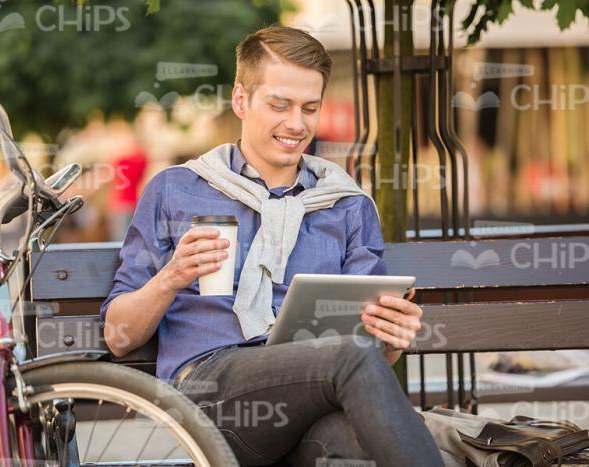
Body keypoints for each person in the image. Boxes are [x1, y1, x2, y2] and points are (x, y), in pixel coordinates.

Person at [101, 25, 444, 466]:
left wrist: (392, 339)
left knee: (351, 448)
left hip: (310, 402)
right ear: (241, 100)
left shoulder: (345, 204)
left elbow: (369, 347)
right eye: (279, 105)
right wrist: (172, 276)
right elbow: (118, 336)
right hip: (212, 398)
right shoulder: (177, 189)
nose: (296, 124)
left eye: (310, 108)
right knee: (347, 360)